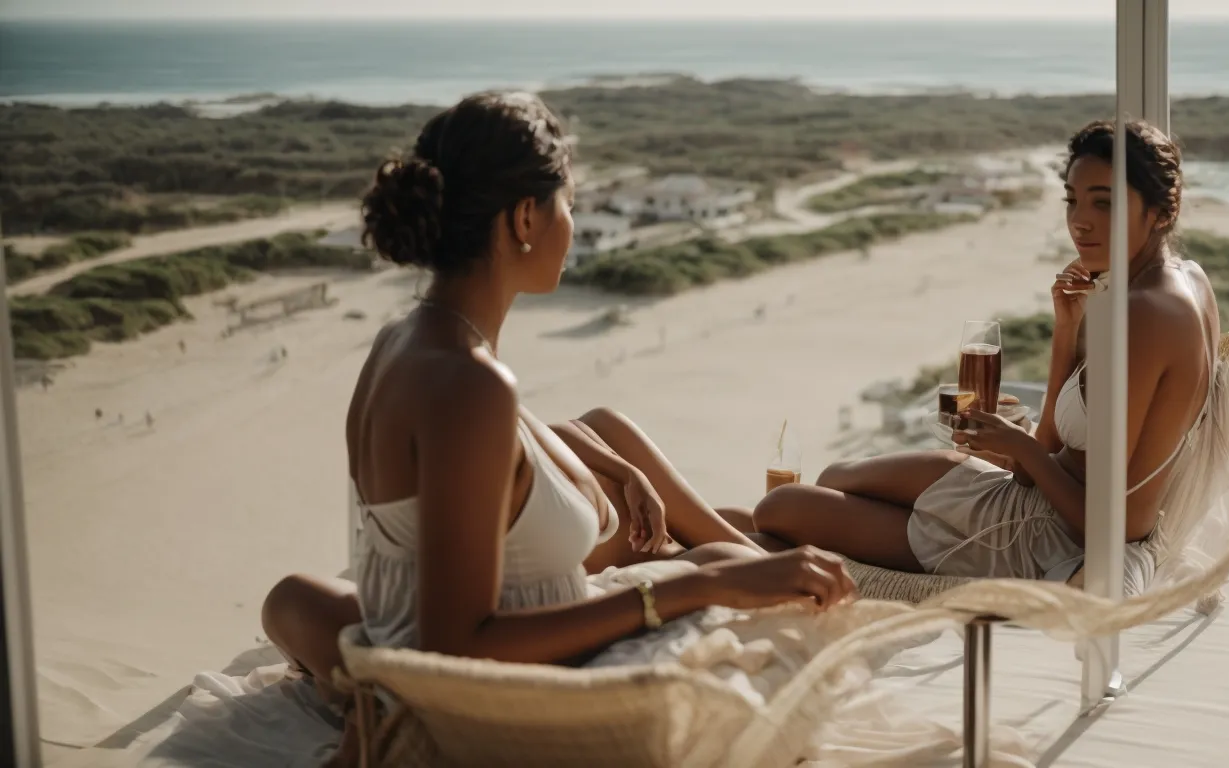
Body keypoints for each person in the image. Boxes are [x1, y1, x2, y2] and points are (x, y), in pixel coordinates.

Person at [258, 92, 856, 747]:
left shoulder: (407, 339)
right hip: (516, 712)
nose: (572, 222)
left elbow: (495, 455)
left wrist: (612, 466)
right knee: (771, 620)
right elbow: (457, 653)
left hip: (478, 674)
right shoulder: (467, 381)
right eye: (569, 203)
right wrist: (692, 590)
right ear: (523, 218)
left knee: (712, 561)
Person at [738, 120, 1229, 586]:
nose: (1080, 223)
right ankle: (765, 560)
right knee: (835, 478)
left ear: (1159, 212)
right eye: (1072, 200)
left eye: (1104, 203)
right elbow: (1045, 461)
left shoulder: (1148, 314)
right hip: (1037, 495)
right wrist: (1066, 332)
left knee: (780, 508)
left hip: (1041, 539)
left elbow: (1120, 523)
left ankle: (759, 566)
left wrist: (1018, 445)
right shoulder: (1183, 279)